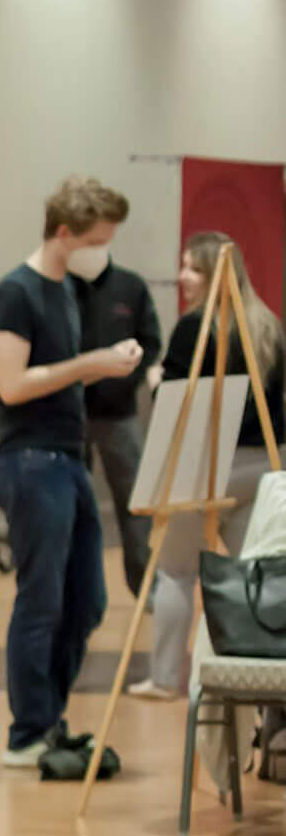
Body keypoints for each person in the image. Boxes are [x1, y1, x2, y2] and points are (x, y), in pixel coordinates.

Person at [0, 176, 143, 775]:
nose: (101, 252)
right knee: (42, 598)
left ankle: (48, 716)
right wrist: (89, 366)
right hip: (30, 461)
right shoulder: (16, 294)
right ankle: (27, 729)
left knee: (87, 599)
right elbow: (12, 384)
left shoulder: (66, 293)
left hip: (67, 459)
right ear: (64, 234)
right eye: (97, 241)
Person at [132, 231, 285, 700]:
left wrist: (157, 380)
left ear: (217, 274)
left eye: (193, 269)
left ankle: (165, 678)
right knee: (250, 576)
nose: (183, 277)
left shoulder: (194, 329)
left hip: (204, 464)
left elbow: (176, 404)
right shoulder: (268, 327)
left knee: (177, 571)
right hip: (261, 465)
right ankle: (248, 671)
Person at [73, 207, 162, 598]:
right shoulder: (63, 286)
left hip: (119, 412)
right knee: (74, 501)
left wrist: (128, 381)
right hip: (70, 412)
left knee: (135, 501)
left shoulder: (130, 287)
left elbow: (151, 341)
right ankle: (77, 588)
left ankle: (144, 586)